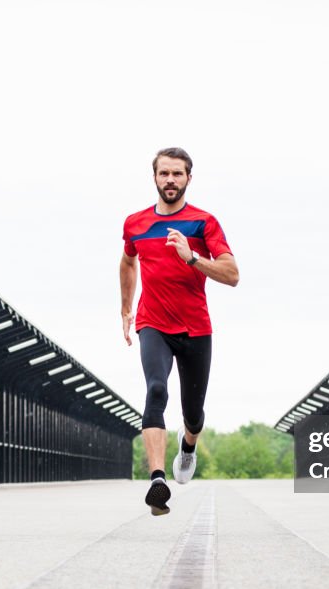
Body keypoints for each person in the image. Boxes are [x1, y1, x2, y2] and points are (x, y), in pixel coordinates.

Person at [119, 147, 239, 515]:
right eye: (164, 173)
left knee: (193, 413)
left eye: (177, 174)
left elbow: (232, 274)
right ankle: (157, 479)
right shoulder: (135, 223)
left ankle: (188, 447)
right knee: (156, 389)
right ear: (154, 177)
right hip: (152, 322)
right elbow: (128, 260)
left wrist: (192, 257)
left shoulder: (204, 222)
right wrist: (126, 306)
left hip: (195, 328)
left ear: (188, 178)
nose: (170, 180)